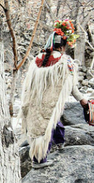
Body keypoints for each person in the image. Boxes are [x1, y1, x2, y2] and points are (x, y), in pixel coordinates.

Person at [21, 19, 88, 168]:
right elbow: (71, 86)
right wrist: (82, 100)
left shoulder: (37, 60)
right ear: (63, 46)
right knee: (50, 123)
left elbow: (28, 84)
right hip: (50, 102)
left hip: (35, 101)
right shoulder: (65, 62)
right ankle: (40, 159)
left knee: (44, 125)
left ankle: (57, 143)